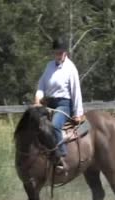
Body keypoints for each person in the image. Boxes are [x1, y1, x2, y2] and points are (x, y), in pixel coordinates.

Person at [34, 36, 84, 171]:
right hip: (49, 103)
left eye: (61, 52)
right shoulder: (49, 66)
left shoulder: (70, 68)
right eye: (56, 52)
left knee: (55, 126)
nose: (58, 55)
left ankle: (60, 157)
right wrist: (38, 99)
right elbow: (41, 85)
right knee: (34, 126)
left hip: (64, 104)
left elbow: (76, 91)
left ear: (65, 52)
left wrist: (78, 113)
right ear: (53, 52)